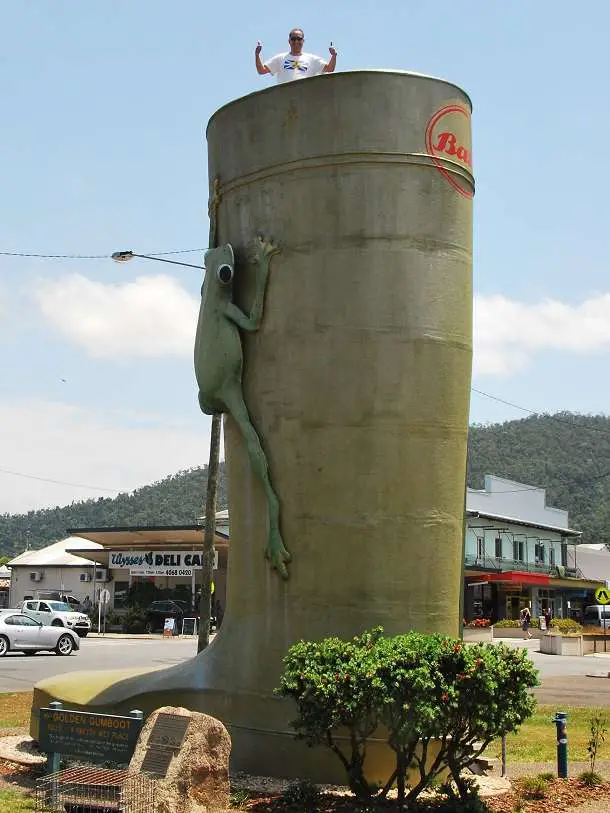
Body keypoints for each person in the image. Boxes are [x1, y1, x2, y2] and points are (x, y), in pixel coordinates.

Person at [255, 28, 337, 84]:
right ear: (289, 41)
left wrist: (333, 56)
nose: (296, 41)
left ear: (303, 41)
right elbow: (261, 70)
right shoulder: (280, 58)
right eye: (293, 39)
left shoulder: (312, 59)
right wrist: (257, 54)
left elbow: (330, 68)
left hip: (304, 98)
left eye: (299, 39)